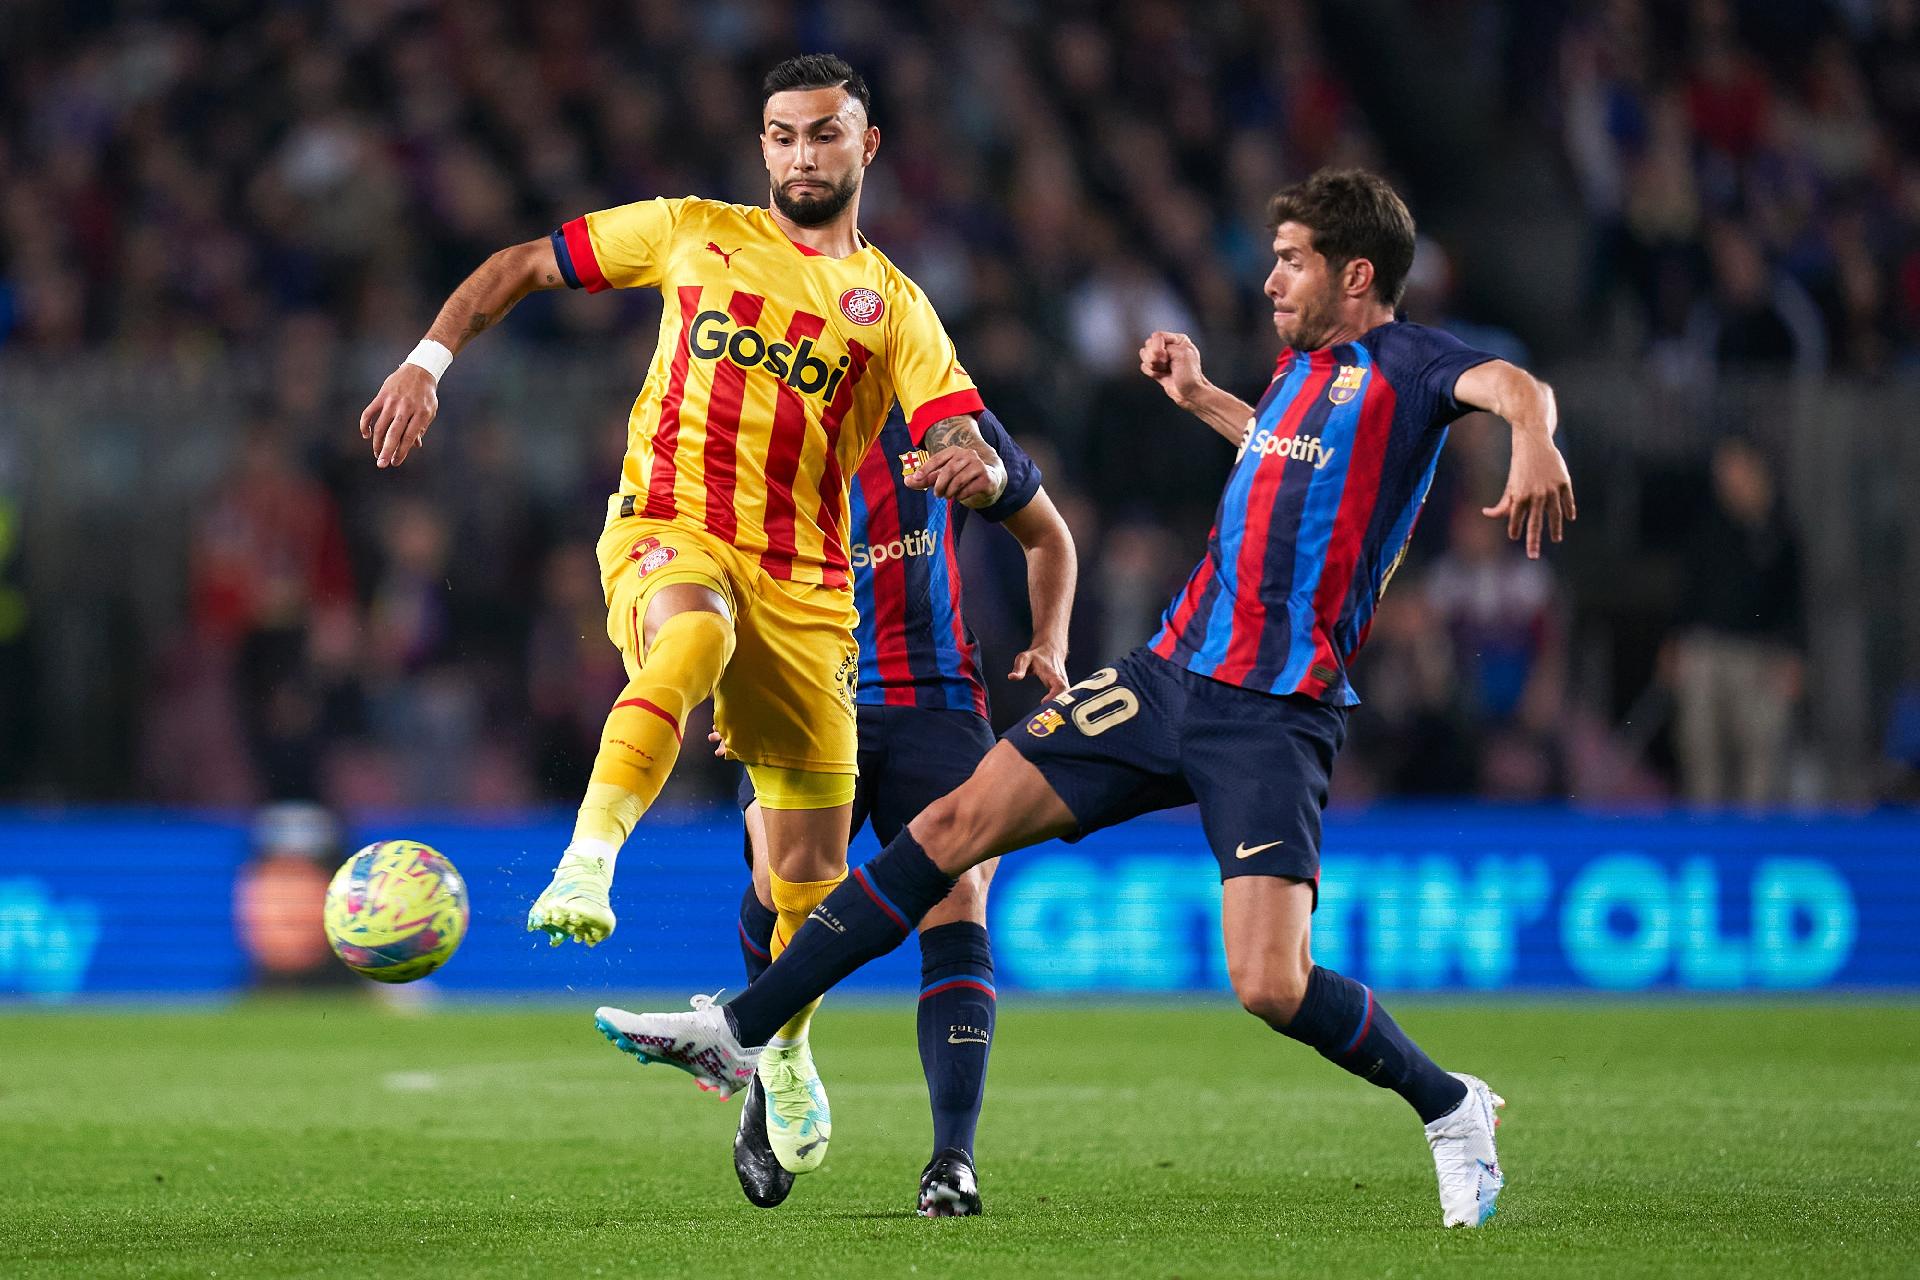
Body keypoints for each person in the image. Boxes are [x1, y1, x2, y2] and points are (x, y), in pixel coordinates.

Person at [591, 168, 1577, 1228]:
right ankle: (742, 1029)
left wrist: (1533, 438)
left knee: (1270, 982)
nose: (1270, 280)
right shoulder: (1301, 371)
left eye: (1289, 260)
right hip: (1165, 674)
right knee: (952, 826)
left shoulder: (1408, 363)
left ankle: (1449, 1104)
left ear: (1356, 272)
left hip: (1273, 712)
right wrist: (1203, 398)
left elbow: (1520, 386)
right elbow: (1286, 457)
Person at [356, 54, 1008, 1176]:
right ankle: (588, 857)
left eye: (824, 135)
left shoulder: (894, 306)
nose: (802, 156)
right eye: (783, 136)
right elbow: (519, 265)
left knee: (804, 880)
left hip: (809, 590)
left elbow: (957, 427)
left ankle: (782, 1052)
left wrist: (970, 468)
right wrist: (429, 359)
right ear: (762, 147)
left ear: (868, 146)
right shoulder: (688, 229)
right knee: (692, 633)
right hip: (669, 525)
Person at [721, 403, 1074, 1215]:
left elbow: (1048, 534)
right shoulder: (749, 420)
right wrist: (726, 676)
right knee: (782, 884)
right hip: (807, 691)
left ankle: (952, 1159)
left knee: (961, 896)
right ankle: (779, 1066)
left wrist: (1049, 640)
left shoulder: (943, 415)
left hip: (938, 699)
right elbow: (707, 568)